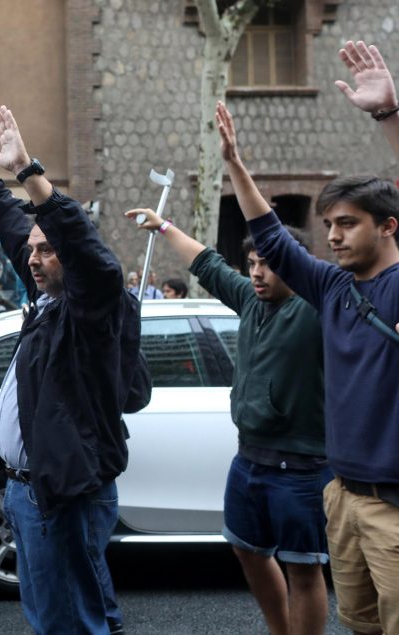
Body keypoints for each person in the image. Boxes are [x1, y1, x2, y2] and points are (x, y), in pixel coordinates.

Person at [218, 55, 399, 631]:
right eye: (329, 226)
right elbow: (272, 238)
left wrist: (390, 115)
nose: (334, 236)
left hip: (393, 505)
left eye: (347, 223)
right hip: (341, 496)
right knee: (362, 626)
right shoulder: (331, 287)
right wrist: (235, 166)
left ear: (388, 225)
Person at [0, 106, 129, 635]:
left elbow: (90, 255)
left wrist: (28, 170)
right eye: (34, 251)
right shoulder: (48, 298)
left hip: (63, 491)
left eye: (47, 250)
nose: (34, 258)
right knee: (49, 615)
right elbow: (15, 229)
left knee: (70, 620)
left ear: (71, 257)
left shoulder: (91, 303)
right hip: (26, 490)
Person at [125, 207, 331, 635]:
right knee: (247, 550)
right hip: (249, 459)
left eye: (268, 264)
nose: (257, 273)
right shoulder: (249, 301)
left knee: (304, 569)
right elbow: (207, 262)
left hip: (302, 465)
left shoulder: (316, 307)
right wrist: (163, 226)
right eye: (253, 263)